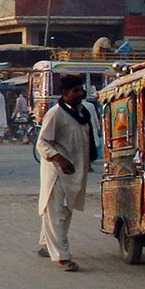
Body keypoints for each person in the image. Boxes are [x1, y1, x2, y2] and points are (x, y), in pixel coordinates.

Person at [36, 74, 94, 272]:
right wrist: (59, 159)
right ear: (65, 94)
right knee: (55, 212)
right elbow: (42, 143)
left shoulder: (84, 112)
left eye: (81, 89)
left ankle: (46, 243)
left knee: (64, 211)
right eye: (75, 91)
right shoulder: (55, 114)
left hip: (76, 169)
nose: (80, 93)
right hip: (57, 171)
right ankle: (62, 256)